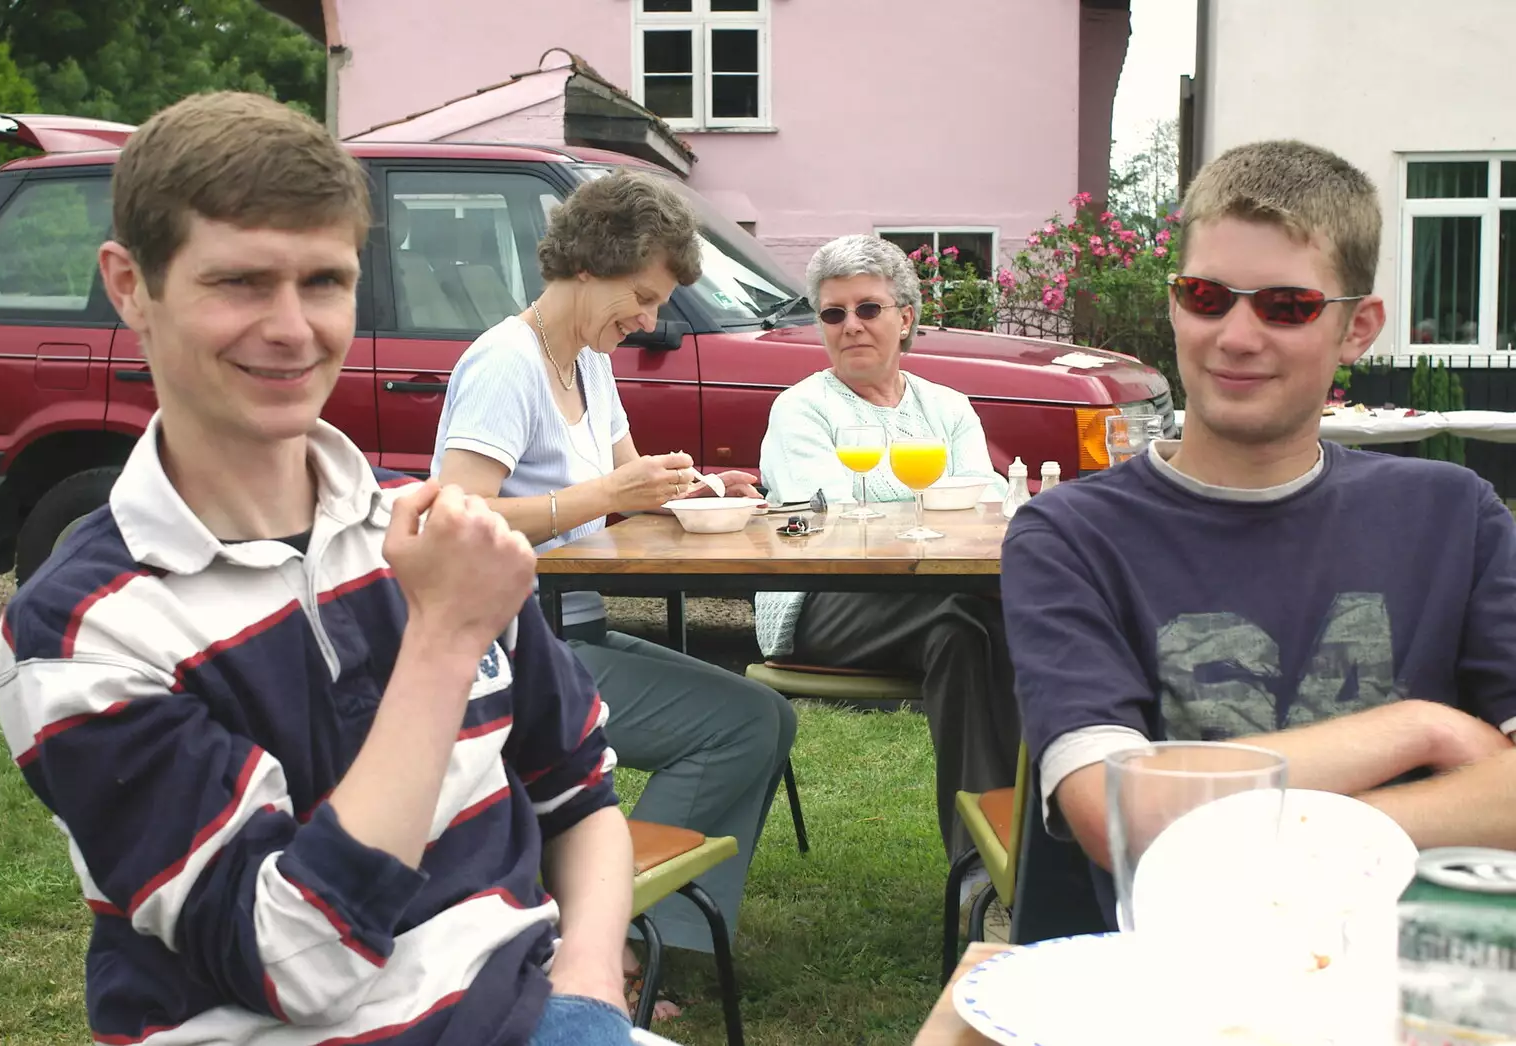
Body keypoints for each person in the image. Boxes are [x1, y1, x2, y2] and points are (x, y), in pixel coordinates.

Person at [0, 92, 640, 1046]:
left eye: (325, 281)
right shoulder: (86, 629)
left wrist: (589, 996)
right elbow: (299, 960)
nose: (293, 328)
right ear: (131, 285)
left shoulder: (427, 529)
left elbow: (579, 793)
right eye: (241, 283)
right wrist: (445, 641)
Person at [1001, 139, 1516, 926]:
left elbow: (1159, 813)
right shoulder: (1070, 535)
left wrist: (1214, 821)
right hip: (1177, 991)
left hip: (1410, 991)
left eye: (1286, 306)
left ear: (1358, 328)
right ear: (1175, 303)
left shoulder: (1454, 516)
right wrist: (1423, 729)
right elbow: (1121, 817)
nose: (1236, 336)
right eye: (1207, 295)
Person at [431, 169, 796, 979]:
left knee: (764, 716)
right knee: (740, 725)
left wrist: (693, 490)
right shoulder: (506, 364)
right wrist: (603, 494)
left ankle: (651, 933)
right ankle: (613, 941)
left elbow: (629, 481)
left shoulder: (588, 361)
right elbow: (457, 511)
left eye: (658, 301)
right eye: (642, 294)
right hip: (509, 647)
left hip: (572, 629)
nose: (648, 318)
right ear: (586, 264)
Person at [754, 233, 1015, 863]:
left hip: (937, 601)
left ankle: (987, 865)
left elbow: (985, 506)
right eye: (833, 313)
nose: (851, 326)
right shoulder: (803, 409)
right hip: (820, 600)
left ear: (906, 317)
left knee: (965, 629)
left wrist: (923, 518)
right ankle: (1024, 846)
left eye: (868, 309)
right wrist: (929, 511)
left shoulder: (947, 409)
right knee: (993, 610)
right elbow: (827, 518)